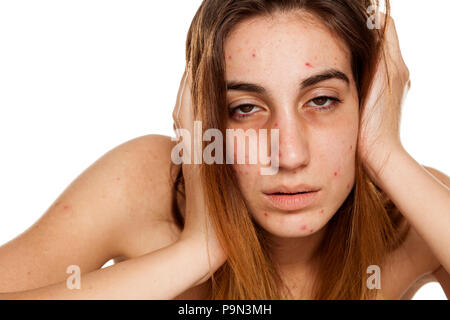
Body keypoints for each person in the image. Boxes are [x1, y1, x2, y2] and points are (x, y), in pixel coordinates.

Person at [0, 0, 449, 300]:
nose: (289, 155)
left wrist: (386, 154)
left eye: (322, 100)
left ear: (371, 102)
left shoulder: (415, 211)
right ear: (207, 115)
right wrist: (197, 250)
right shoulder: (144, 185)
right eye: (246, 108)